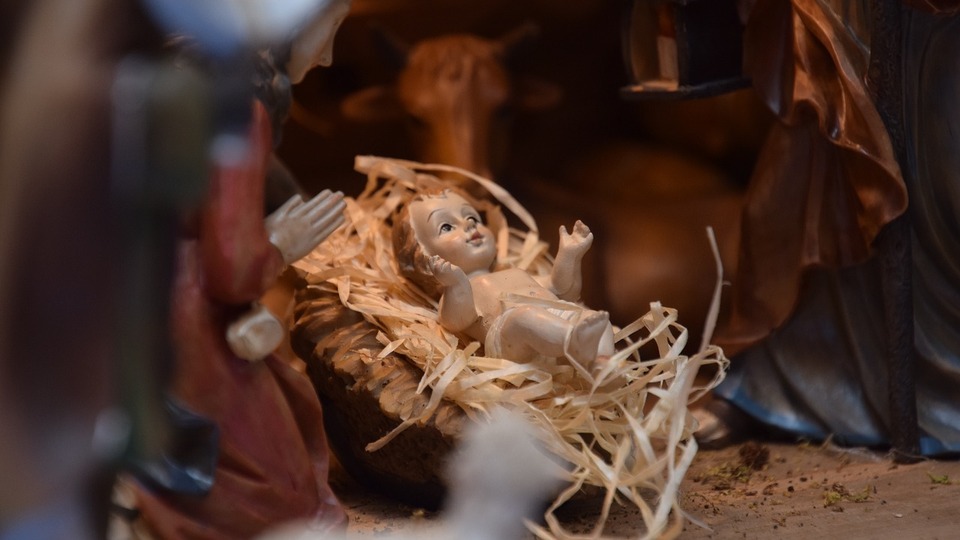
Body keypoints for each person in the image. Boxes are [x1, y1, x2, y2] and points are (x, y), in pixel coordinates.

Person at [393, 189, 614, 369]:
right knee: (525, 317)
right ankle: (572, 343)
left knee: (595, 318)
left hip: (556, 317)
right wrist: (454, 282)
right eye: (447, 227)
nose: (469, 225)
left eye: (471, 217)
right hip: (510, 338)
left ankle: (602, 367)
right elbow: (456, 321)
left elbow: (562, 290)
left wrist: (569, 256)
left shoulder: (514, 272)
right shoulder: (458, 289)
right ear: (424, 260)